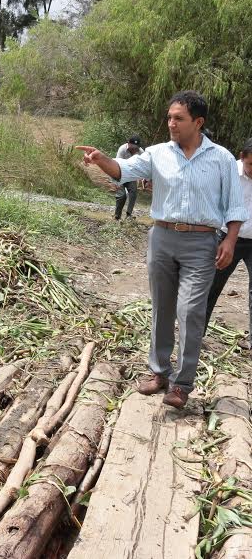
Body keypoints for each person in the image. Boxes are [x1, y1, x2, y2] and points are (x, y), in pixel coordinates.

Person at [77, 90, 247, 409]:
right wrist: (101, 160)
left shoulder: (222, 159)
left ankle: (182, 384)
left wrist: (229, 240)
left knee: (191, 311)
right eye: (169, 117)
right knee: (163, 308)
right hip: (162, 238)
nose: (171, 123)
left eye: (178, 118)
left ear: (198, 122)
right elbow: (123, 171)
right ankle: (159, 372)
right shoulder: (156, 154)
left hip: (202, 243)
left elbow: (236, 206)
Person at [205, 138, 252, 341]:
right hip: (226, 238)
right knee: (210, 287)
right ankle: (196, 336)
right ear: (242, 157)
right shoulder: (227, 171)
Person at [114, 136, 143, 220]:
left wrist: (144, 178)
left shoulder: (141, 152)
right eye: (133, 147)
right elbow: (117, 165)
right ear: (128, 144)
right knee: (122, 195)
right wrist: (117, 182)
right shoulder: (122, 149)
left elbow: (145, 164)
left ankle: (128, 214)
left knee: (133, 192)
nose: (135, 149)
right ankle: (117, 216)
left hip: (131, 175)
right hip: (119, 174)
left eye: (136, 147)